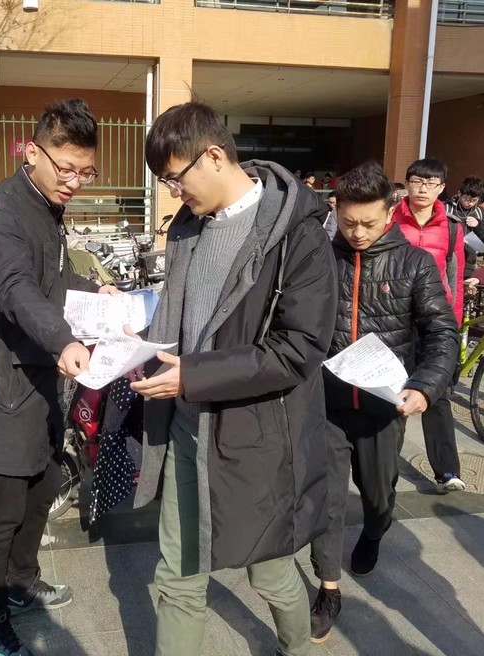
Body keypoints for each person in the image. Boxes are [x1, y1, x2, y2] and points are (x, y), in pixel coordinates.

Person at [129, 101, 338, 656]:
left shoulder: (297, 236)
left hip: (254, 439)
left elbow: (298, 349)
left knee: (269, 574)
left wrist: (193, 375)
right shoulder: (187, 228)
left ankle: (297, 646)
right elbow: (182, 315)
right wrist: (134, 332)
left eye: (175, 178)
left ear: (215, 156)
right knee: (178, 578)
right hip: (186, 429)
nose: (174, 192)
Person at [0, 99, 118, 656]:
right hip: (2, 389)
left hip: (41, 386)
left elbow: (53, 279)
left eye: (86, 172)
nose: (74, 182)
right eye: (66, 168)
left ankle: (22, 582)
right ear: (32, 152)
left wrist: (93, 291)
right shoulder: (0, 214)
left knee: (42, 490)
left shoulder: (47, 208)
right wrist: (64, 339)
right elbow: (15, 289)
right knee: (0, 513)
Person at [309, 162, 459, 643]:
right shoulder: (318, 258)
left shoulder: (415, 264)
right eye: (348, 222)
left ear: (390, 213)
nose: (357, 233)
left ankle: (374, 531)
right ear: (336, 210)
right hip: (326, 403)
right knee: (327, 499)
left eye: (368, 223)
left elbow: (442, 333)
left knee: (378, 495)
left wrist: (426, 386)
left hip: (383, 407)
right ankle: (328, 587)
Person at [393, 158, 466, 492]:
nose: (423, 189)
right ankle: (384, 463)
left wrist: (454, 323)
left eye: (431, 183)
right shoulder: (391, 218)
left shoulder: (451, 228)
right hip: (395, 315)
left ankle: (447, 470)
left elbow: (455, 277)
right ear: (407, 183)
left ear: (441, 188)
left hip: (435, 317)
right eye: (417, 181)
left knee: (438, 391)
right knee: (394, 389)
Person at [445, 175, 484, 243]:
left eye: (474, 200)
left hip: (471, 249)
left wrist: (477, 226)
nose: (470, 203)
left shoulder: (480, 213)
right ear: (459, 193)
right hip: (451, 247)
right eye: (467, 199)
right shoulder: (447, 208)